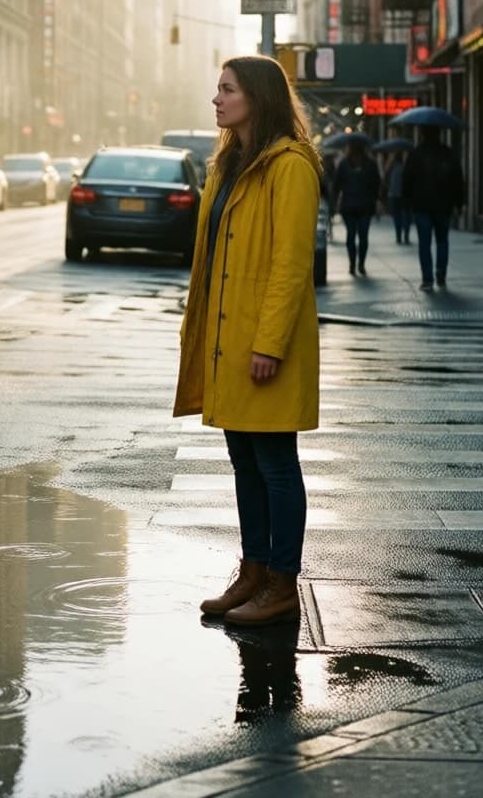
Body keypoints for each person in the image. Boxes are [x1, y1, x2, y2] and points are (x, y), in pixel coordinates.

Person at [174, 55, 321, 628]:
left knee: (276, 462)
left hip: (263, 343)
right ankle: (254, 571)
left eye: (226, 90)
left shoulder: (291, 166)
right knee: (244, 460)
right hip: (226, 340)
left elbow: (290, 264)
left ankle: (283, 582)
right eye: (216, 89)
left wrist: (270, 343)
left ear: (256, 97)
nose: (216, 99)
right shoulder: (226, 164)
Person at [402, 125, 464, 291]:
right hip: (444, 205)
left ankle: (427, 279)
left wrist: (407, 202)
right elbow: (458, 179)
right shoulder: (448, 153)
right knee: (442, 240)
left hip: (422, 205)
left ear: (422, 135)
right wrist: (459, 203)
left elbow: (407, 179)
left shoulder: (416, 154)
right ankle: (441, 273)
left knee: (425, 242)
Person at [331, 139, 380, 275]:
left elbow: (336, 185)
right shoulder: (370, 164)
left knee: (351, 236)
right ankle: (360, 264)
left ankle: (353, 264)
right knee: (363, 236)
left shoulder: (344, 164)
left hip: (349, 206)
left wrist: (334, 202)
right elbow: (376, 184)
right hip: (364, 206)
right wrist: (374, 199)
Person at [381, 151, 411, 244]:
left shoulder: (390, 168)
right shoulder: (406, 168)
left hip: (393, 195)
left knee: (397, 216)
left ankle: (398, 236)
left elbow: (384, 180)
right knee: (406, 215)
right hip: (404, 195)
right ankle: (405, 234)